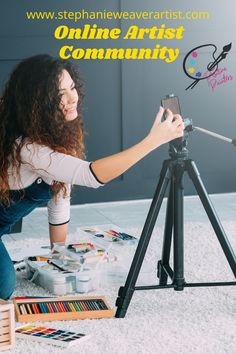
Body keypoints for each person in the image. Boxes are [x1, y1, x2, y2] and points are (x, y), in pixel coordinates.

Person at [0, 54, 184, 300]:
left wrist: (59, 256)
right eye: (58, 95)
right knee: (4, 289)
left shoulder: (55, 132)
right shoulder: (28, 148)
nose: (71, 98)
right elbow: (90, 175)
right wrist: (153, 141)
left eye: (72, 87)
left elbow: (59, 196)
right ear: (36, 103)